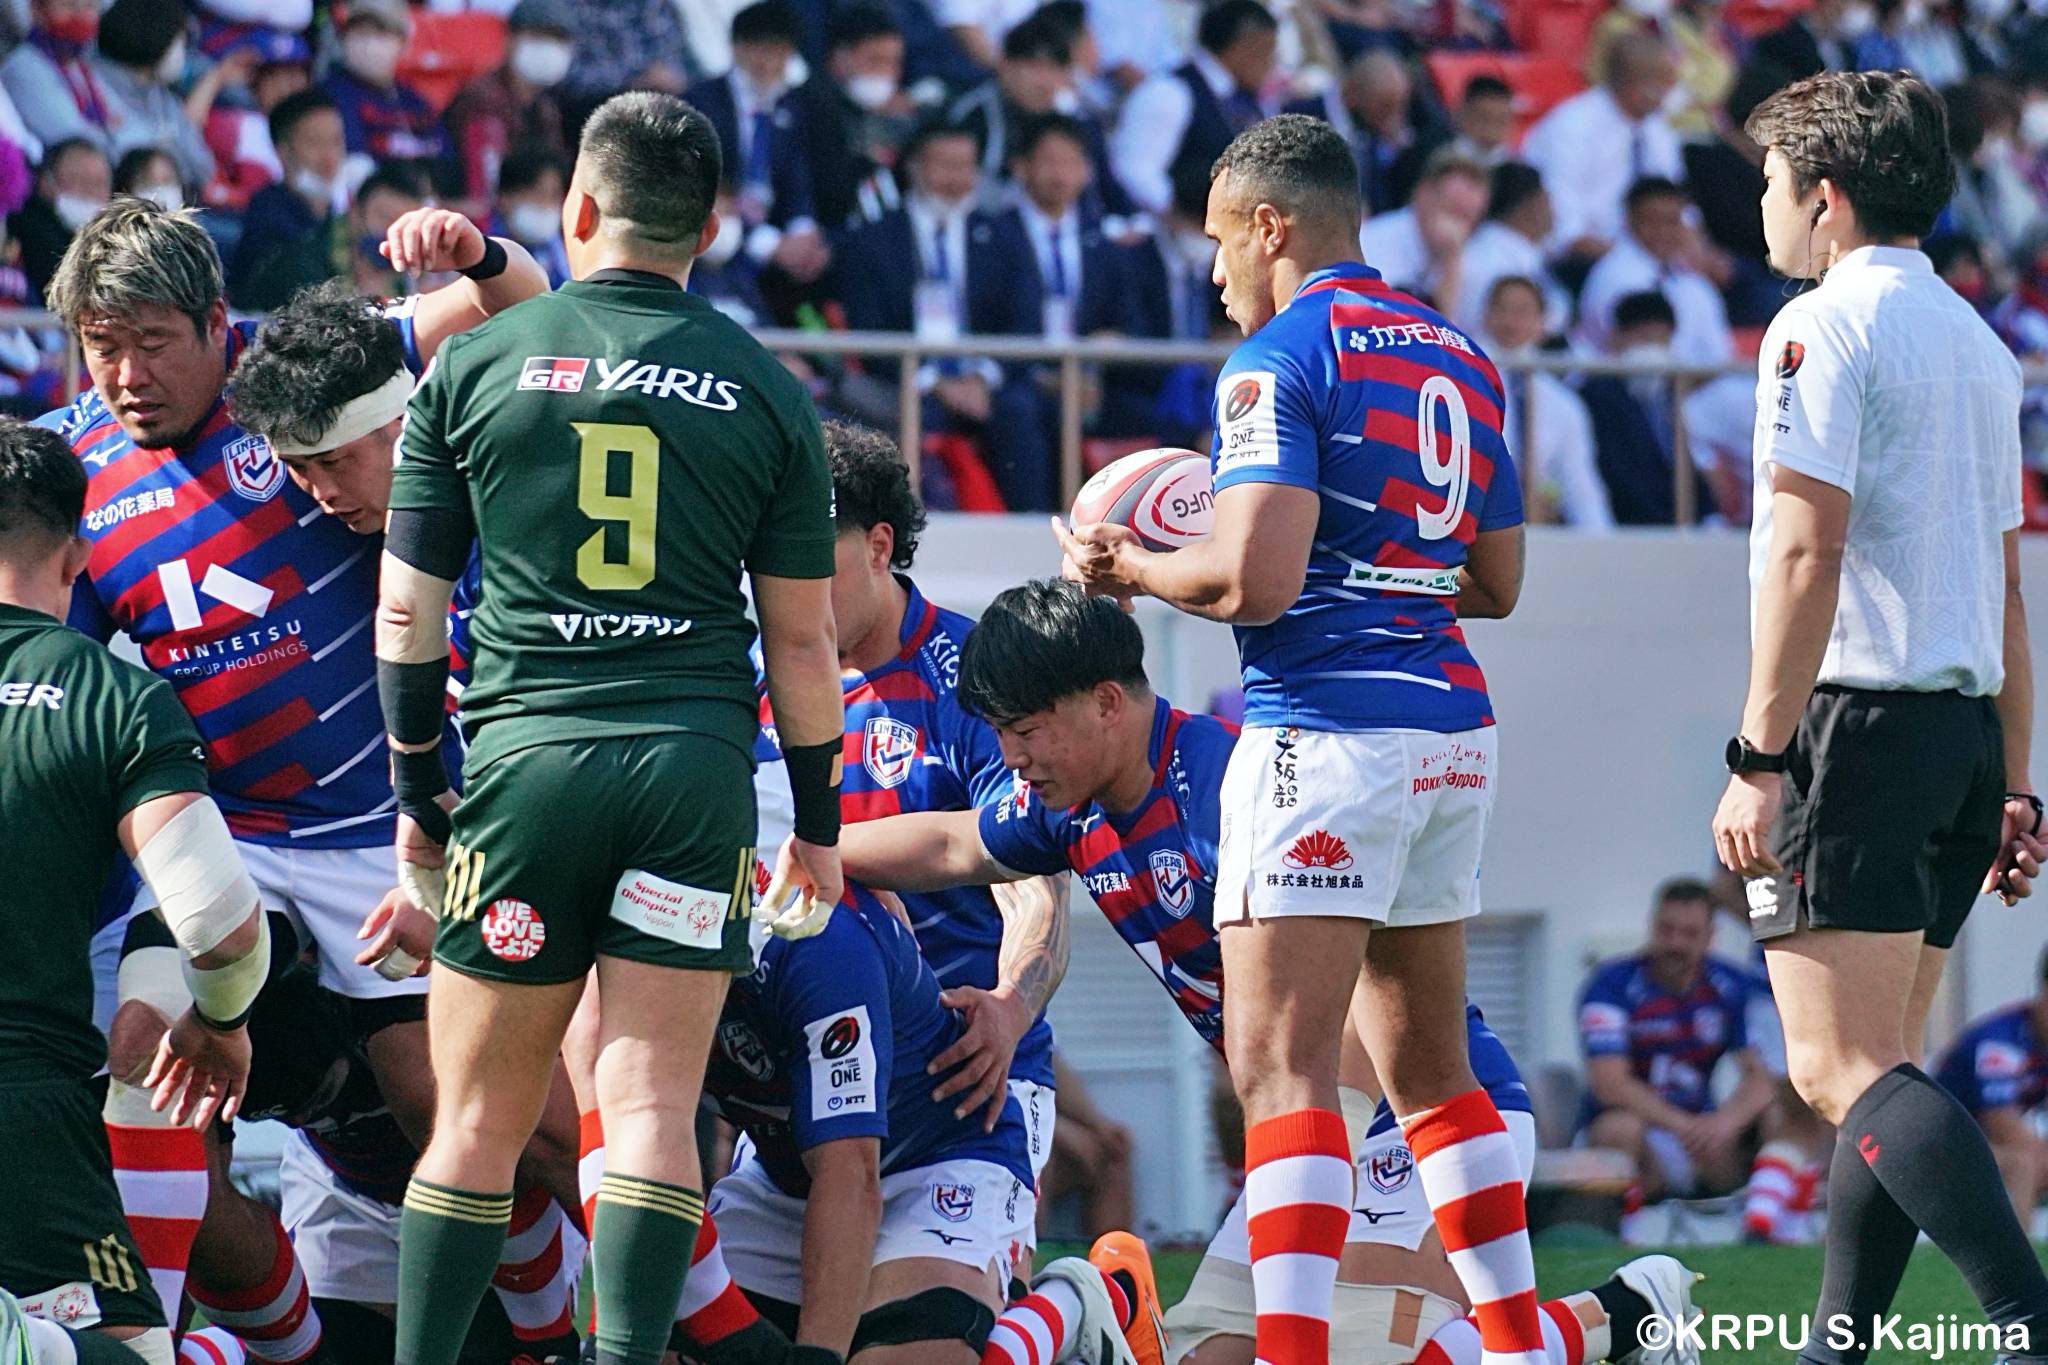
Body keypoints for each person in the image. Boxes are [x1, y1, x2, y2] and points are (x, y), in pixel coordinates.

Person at [812, 581, 1698, 1365]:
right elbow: (951, 840)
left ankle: (1623, 1312)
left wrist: (1302, 1162)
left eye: (1026, 730)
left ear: (1106, 703)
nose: (1012, 756)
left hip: (1404, 1114)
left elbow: (1354, 1012)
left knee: (1377, 1352)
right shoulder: (1070, 806)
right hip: (1303, 1121)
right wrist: (813, 851)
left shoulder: (1236, 796)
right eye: (1004, 734)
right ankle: (1100, 1300)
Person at [1053, 113, 1543, 1365]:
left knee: (1280, 1071)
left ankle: (1287, 1354)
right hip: (1450, 731)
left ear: (1270, 227)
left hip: (1324, 734)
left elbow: (1248, 585)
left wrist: (1128, 566)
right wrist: (1373, 574)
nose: (1215, 271)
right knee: (1431, 1073)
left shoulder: (1275, 359)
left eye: (1221, 241)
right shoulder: (1460, 354)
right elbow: (1494, 583)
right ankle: (1516, 1341)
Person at [374, 91, 845, 1365]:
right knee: (647, 1107)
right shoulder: (765, 384)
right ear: (711, 229)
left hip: (526, 767)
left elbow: (406, 615)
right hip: (692, 775)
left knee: (476, 1119)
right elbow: (803, 643)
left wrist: (421, 795)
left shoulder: (475, 365)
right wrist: (817, 827)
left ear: (577, 209)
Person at [37, 198, 547, 1363]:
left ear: (218, 321)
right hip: (225, 841)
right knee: (146, 1077)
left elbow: (527, 306)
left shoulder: (309, 366)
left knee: (449, 1111)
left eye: (152, 342)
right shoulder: (67, 468)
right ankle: (260, 1352)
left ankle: (551, 1333)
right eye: (101, 347)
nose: (127, 375)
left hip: (385, 828)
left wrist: (475, 251)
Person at [1712, 69, 2048, 1365]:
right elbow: (2006, 589)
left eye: (1769, 181)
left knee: (1836, 1069)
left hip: (1854, 729)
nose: (1761, 205)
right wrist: (2012, 784)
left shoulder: (1815, 328)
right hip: (1957, 740)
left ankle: (2024, 1318)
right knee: (1882, 1065)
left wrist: (1757, 756)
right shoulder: (1980, 343)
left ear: (1826, 196)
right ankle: (1836, 1345)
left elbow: (1806, 553)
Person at [0, 415, 267, 1365]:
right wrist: (222, 1020)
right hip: (22, 1103)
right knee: (137, 1353)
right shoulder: (109, 693)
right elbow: (218, 922)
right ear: (77, 556)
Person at [755, 421, 1065, 1160]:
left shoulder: (971, 679)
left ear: (879, 546)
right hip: (815, 1070)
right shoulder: (753, 682)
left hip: (965, 1075)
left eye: (814, 561)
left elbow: (1035, 883)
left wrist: (1010, 1006)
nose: (793, 587)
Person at [1577, 880, 1789, 1203]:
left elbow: (1764, 1076)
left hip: (1703, 1134)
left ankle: (1773, 1216)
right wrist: (1683, 1125)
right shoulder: (1611, 984)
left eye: (1689, 933)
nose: (1675, 943)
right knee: (1620, 1129)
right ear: (1651, 926)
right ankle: (1624, 1223)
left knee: (1782, 1112)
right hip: (1640, 1132)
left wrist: (1723, 1124)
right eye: (1666, 930)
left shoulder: (1730, 984)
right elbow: (1609, 1083)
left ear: (1710, 936)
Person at [686, 2, 831, 303]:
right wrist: (769, 244)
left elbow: (797, 181)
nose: (768, 63)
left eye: (779, 52)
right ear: (736, 48)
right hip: (718, 241)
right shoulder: (700, 105)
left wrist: (802, 230)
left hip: (776, 243)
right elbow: (705, 191)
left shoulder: (794, 106)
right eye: (760, 50)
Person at [1518, 32, 1683, 268]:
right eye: (1663, 84)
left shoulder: (1656, 130)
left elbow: (1674, 204)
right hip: (1577, 260)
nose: (1669, 92)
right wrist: (1631, 261)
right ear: (1633, 84)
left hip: (1642, 256)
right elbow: (1565, 232)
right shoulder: (1572, 127)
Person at [1109, 0, 1278, 218]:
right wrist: (1177, 216)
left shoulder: (1247, 98)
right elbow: (1135, 170)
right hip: (1180, 229)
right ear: (1243, 48)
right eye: (1266, 53)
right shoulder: (1169, 93)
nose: (1271, 65)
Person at [1481, 276, 1611, 530]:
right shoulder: (1463, 382)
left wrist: (1603, 544)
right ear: (1486, 316)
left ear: (1542, 322)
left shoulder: (1563, 403)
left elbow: (1580, 487)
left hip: (1538, 528)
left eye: (1522, 311)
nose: (1510, 321)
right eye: (1501, 309)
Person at [1578, 290, 1715, 527]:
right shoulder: (1597, 396)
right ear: (1617, 338)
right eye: (1643, 338)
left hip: (1676, 524)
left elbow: (1685, 464)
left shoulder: (1667, 396)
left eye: (1661, 341)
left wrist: (1710, 515)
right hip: (1631, 526)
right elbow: (1617, 473)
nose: (1653, 350)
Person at [1933, 945, 2048, 1222]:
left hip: (1983, 1149)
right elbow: (2001, 1125)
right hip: (1937, 1149)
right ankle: (2017, 1248)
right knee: (2022, 1163)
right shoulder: (2000, 1039)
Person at [1575, 177, 1735, 367]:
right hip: (1625, 380)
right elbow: (1628, 354)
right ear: (1630, 220)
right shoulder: (1613, 276)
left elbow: (1720, 356)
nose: (1664, 232)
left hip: (1693, 380)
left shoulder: (1694, 284)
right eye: (1653, 221)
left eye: (1672, 222)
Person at [443, 0, 574, 207]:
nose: (549, 48)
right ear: (509, 40)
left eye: (558, 40)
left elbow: (553, 176)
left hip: (532, 210)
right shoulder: (482, 99)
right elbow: (484, 184)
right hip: (485, 211)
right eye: (538, 37)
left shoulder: (545, 108)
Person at [226, 89, 345, 309]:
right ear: (283, 151)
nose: (329, 157)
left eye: (336, 142)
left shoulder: (336, 215)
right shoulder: (266, 216)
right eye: (315, 143)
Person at [89, 0, 216, 191]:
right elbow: (117, 158)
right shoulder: (95, 83)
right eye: (180, 42)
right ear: (156, 37)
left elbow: (202, 167)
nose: (182, 52)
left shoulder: (163, 98)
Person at [318, 0, 445, 175]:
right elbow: (355, 164)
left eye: (381, 32)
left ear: (402, 41)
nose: (369, 44)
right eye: (360, 32)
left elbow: (446, 160)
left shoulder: (414, 101)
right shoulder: (330, 97)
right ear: (344, 37)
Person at [1357, 147, 1489, 307]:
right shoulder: (1373, 244)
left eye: (1466, 218)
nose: (1456, 228)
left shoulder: (1467, 257)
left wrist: (1452, 261)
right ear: (1422, 194)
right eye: (1451, 211)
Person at [1, 0, 113, 160]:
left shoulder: (83, 67)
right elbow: (70, 136)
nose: (79, 16)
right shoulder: (23, 66)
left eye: (89, 6)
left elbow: (126, 125)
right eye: (67, 5)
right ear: (36, 10)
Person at [8, 136, 108, 296]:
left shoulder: (117, 239)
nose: (90, 191)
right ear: (46, 183)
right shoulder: (29, 229)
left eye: (99, 183)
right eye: (77, 180)